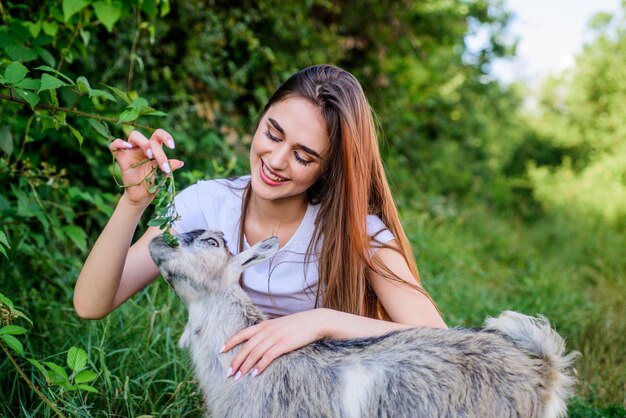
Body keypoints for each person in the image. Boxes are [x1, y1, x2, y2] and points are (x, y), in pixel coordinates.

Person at [74, 64, 446, 380]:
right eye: (273, 133)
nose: (277, 160)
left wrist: (321, 322)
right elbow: (91, 304)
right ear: (262, 116)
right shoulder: (208, 205)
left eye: (303, 156)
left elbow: (439, 342)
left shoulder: (356, 234)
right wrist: (133, 201)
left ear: (328, 170)